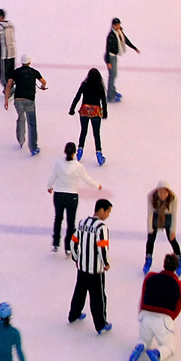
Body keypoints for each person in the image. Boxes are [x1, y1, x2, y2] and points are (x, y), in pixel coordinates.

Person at [66, 199, 114, 333]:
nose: (108, 215)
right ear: (101, 210)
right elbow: (102, 248)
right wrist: (105, 263)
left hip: (82, 267)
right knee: (98, 297)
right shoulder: (101, 228)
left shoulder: (82, 223)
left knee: (79, 292)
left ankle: (73, 315)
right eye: (108, 212)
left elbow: (73, 241)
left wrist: (76, 258)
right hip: (95, 270)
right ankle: (101, 324)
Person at [132, 253, 181, 361]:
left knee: (144, 338)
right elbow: (177, 308)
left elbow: (143, 296)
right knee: (169, 346)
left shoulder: (150, 277)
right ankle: (157, 353)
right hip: (163, 319)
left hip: (145, 316)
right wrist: (169, 320)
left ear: (164, 264)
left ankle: (140, 346)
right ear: (176, 267)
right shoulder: (180, 286)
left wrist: (142, 313)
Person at [47, 143, 103, 253]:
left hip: (58, 194)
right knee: (71, 222)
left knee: (58, 219)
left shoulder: (58, 163)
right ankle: (68, 246)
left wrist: (49, 186)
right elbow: (87, 179)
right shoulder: (78, 166)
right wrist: (97, 185)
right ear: (74, 153)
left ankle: (56, 242)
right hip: (71, 195)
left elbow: (53, 176)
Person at [4, 55, 46, 156]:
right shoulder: (33, 72)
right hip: (30, 100)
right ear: (29, 62)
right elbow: (43, 81)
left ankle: (21, 139)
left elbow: (9, 85)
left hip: (18, 100)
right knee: (32, 124)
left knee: (21, 118)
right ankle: (33, 147)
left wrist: (6, 100)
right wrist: (43, 87)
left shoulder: (16, 72)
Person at [67, 68, 109, 162]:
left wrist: (72, 109)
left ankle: (79, 152)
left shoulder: (85, 84)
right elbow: (103, 100)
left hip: (85, 110)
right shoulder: (99, 86)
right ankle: (99, 154)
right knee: (96, 134)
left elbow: (77, 96)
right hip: (95, 111)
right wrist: (105, 112)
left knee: (83, 131)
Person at [103, 18, 138, 102]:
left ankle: (113, 91)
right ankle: (110, 96)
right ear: (113, 25)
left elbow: (126, 41)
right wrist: (108, 62)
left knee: (114, 75)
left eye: (119, 24)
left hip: (114, 56)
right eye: (116, 25)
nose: (118, 26)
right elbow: (107, 49)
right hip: (110, 57)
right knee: (112, 75)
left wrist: (134, 48)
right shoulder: (111, 35)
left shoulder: (120, 32)